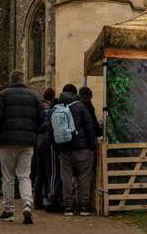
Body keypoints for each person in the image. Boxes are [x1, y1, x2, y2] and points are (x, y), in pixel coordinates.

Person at [0, 69, 45, 224]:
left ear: (11, 80)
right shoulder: (34, 96)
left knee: (8, 177)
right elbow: (42, 119)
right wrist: (34, 133)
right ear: (23, 80)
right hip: (27, 142)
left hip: (7, 141)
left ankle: (8, 210)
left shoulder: (3, 95)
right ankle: (27, 204)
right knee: (24, 175)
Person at [55, 84, 97, 216]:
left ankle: (68, 206)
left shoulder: (58, 107)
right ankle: (83, 206)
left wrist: (58, 147)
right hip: (82, 147)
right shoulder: (80, 106)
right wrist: (92, 146)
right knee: (84, 176)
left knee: (66, 177)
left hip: (64, 148)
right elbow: (89, 127)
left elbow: (52, 130)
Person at [33, 88, 60, 210]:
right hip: (48, 140)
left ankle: (37, 200)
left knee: (40, 172)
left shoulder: (38, 108)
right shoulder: (51, 110)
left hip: (39, 140)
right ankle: (52, 198)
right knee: (51, 171)